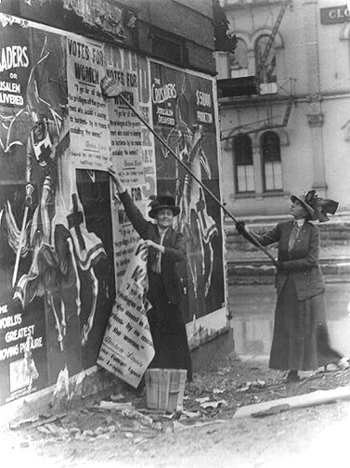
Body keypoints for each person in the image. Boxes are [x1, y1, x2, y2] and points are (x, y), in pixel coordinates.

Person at [236, 190, 348, 382]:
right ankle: (293, 371)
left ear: (304, 211)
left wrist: (286, 265)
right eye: (293, 203)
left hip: (309, 287)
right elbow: (262, 241)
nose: (292, 205)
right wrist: (244, 232)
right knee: (289, 327)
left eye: (296, 204)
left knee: (311, 328)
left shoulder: (313, 232)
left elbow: (312, 260)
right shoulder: (283, 227)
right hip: (287, 285)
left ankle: (333, 359)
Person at [109, 167, 193, 382]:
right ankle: (156, 379)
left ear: (173, 217)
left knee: (175, 333)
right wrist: (120, 186)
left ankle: (182, 377)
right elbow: (132, 212)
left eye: (168, 214)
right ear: (155, 217)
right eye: (161, 214)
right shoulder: (148, 230)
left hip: (171, 291)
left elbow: (180, 256)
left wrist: (158, 247)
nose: (165, 217)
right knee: (154, 333)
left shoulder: (177, 236)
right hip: (152, 290)